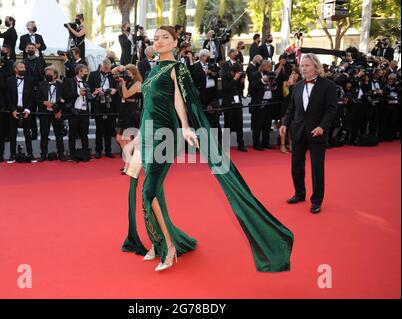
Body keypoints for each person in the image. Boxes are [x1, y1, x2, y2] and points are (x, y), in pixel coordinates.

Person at [122, 26, 293, 273]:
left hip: (165, 136)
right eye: (156, 38)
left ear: (175, 42)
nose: (159, 42)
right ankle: (159, 244)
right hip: (147, 134)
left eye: (165, 38)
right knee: (152, 191)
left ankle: (169, 248)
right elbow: (147, 105)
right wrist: (137, 138)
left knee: (149, 192)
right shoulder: (150, 71)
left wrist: (185, 127)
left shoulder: (177, 69)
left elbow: (181, 99)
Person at [280, 53, 337, 214]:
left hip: (317, 132)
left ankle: (316, 200)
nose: (303, 68)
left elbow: (331, 109)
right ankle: (299, 193)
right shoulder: (297, 86)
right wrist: (285, 124)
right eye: (302, 66)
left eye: (307, 65)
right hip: (298, 131)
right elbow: (292, 108)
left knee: (317, 168)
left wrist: (322, 127)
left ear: (316, 67)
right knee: (296, 166)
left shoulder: (328, 85)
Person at [112, 64, 142, 173]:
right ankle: (130, 162)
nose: (126, 75)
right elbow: (112, 72)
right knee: (119, 138)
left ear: (134, 73)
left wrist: (123, 83)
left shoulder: (138, 83)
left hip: (132, 112)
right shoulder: (127, 81)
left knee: (127, 140)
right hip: (123, 110)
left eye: (128, 73)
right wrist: (120, 68)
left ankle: (128, 166)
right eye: (126, 73)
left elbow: (126, 95)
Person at [6, 62, 36, 163]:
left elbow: (32, 96)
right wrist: (12, 110)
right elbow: (8, 97)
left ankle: (30, 154)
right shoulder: (9, 80)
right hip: (14, 110)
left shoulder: (30, 80)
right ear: (15, 69)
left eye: (24, 67)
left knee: (28, 133)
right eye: (21, 67)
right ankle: (12, 154)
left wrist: (28, 109)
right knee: (12, 133)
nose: (23, 69)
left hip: (26, 109)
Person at [88, 59, 118, 158]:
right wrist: (96, 91)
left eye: (108, 69)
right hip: (98, 105)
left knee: (109, 129)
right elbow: (90, 88)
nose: (106, 71)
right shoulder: (93, 75)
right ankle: (98, 150)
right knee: (99, 129)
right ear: (101, 66)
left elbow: (116, 89)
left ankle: (108, 150)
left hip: (110, 104)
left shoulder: (112, 76)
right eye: (105, 69)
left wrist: (114, 90)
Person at [36, 66, 66, 162]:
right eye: (46, 74)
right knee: (44, 134)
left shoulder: (61, 85)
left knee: (59, 134)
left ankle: (61, 153)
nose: (48, 76)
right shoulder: (41, 85)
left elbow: (65, 100)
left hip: (56, 113)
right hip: (44, 113)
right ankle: (43, 154)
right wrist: (44, 103)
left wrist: (60, 111)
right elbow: (36, 99)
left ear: (56, 75)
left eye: (50, 74)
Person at [63, 64, 91, 161]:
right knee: (72, 134)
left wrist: (93, 94)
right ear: (79, 71)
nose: (86, 73)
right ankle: (72, 154)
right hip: (74, 111)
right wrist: (78, 93)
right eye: (85, 71)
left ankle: (86, 153)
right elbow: (66, 95)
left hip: (84, 112)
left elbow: (89, 98)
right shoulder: (69, 81)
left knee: (84, 134)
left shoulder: (86, 83)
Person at [280, 68, 302, 153]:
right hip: (286, 106)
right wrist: (291, 84)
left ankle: (291, 143)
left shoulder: (300, 84)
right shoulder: (286, 83)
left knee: (292, 127)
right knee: (284, 125)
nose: (294, 75)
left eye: (296, 73)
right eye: (292, 73)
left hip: (296, 107)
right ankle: (282, 144)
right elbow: (285, 94)